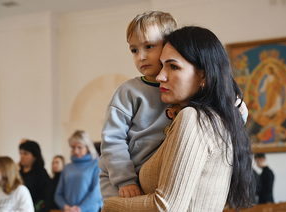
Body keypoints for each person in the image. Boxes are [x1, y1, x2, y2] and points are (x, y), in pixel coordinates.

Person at [98, 10, 249, 202]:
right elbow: (112, 139)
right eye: (134, 50)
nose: (141, 57)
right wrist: (125, 180)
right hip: (120, 177)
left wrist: (239, 112)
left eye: (149, 46)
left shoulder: (183, 94)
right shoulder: (129, 91)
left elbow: (221, 120)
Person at [55, 130, 103, 212]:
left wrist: (80, 208)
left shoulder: (97, 164)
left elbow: (97, 191)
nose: (76, 151)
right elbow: (58, 194)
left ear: (88, 147)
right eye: (73, 147)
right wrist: (65, 207)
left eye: (79, 147)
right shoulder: (67, 167)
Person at [19, 140, 51, 212]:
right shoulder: (18, 173)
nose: (22, 156)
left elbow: (45, 197)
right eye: (20, 153)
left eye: (25, 154)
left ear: (34, 156)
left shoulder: (41, 174)